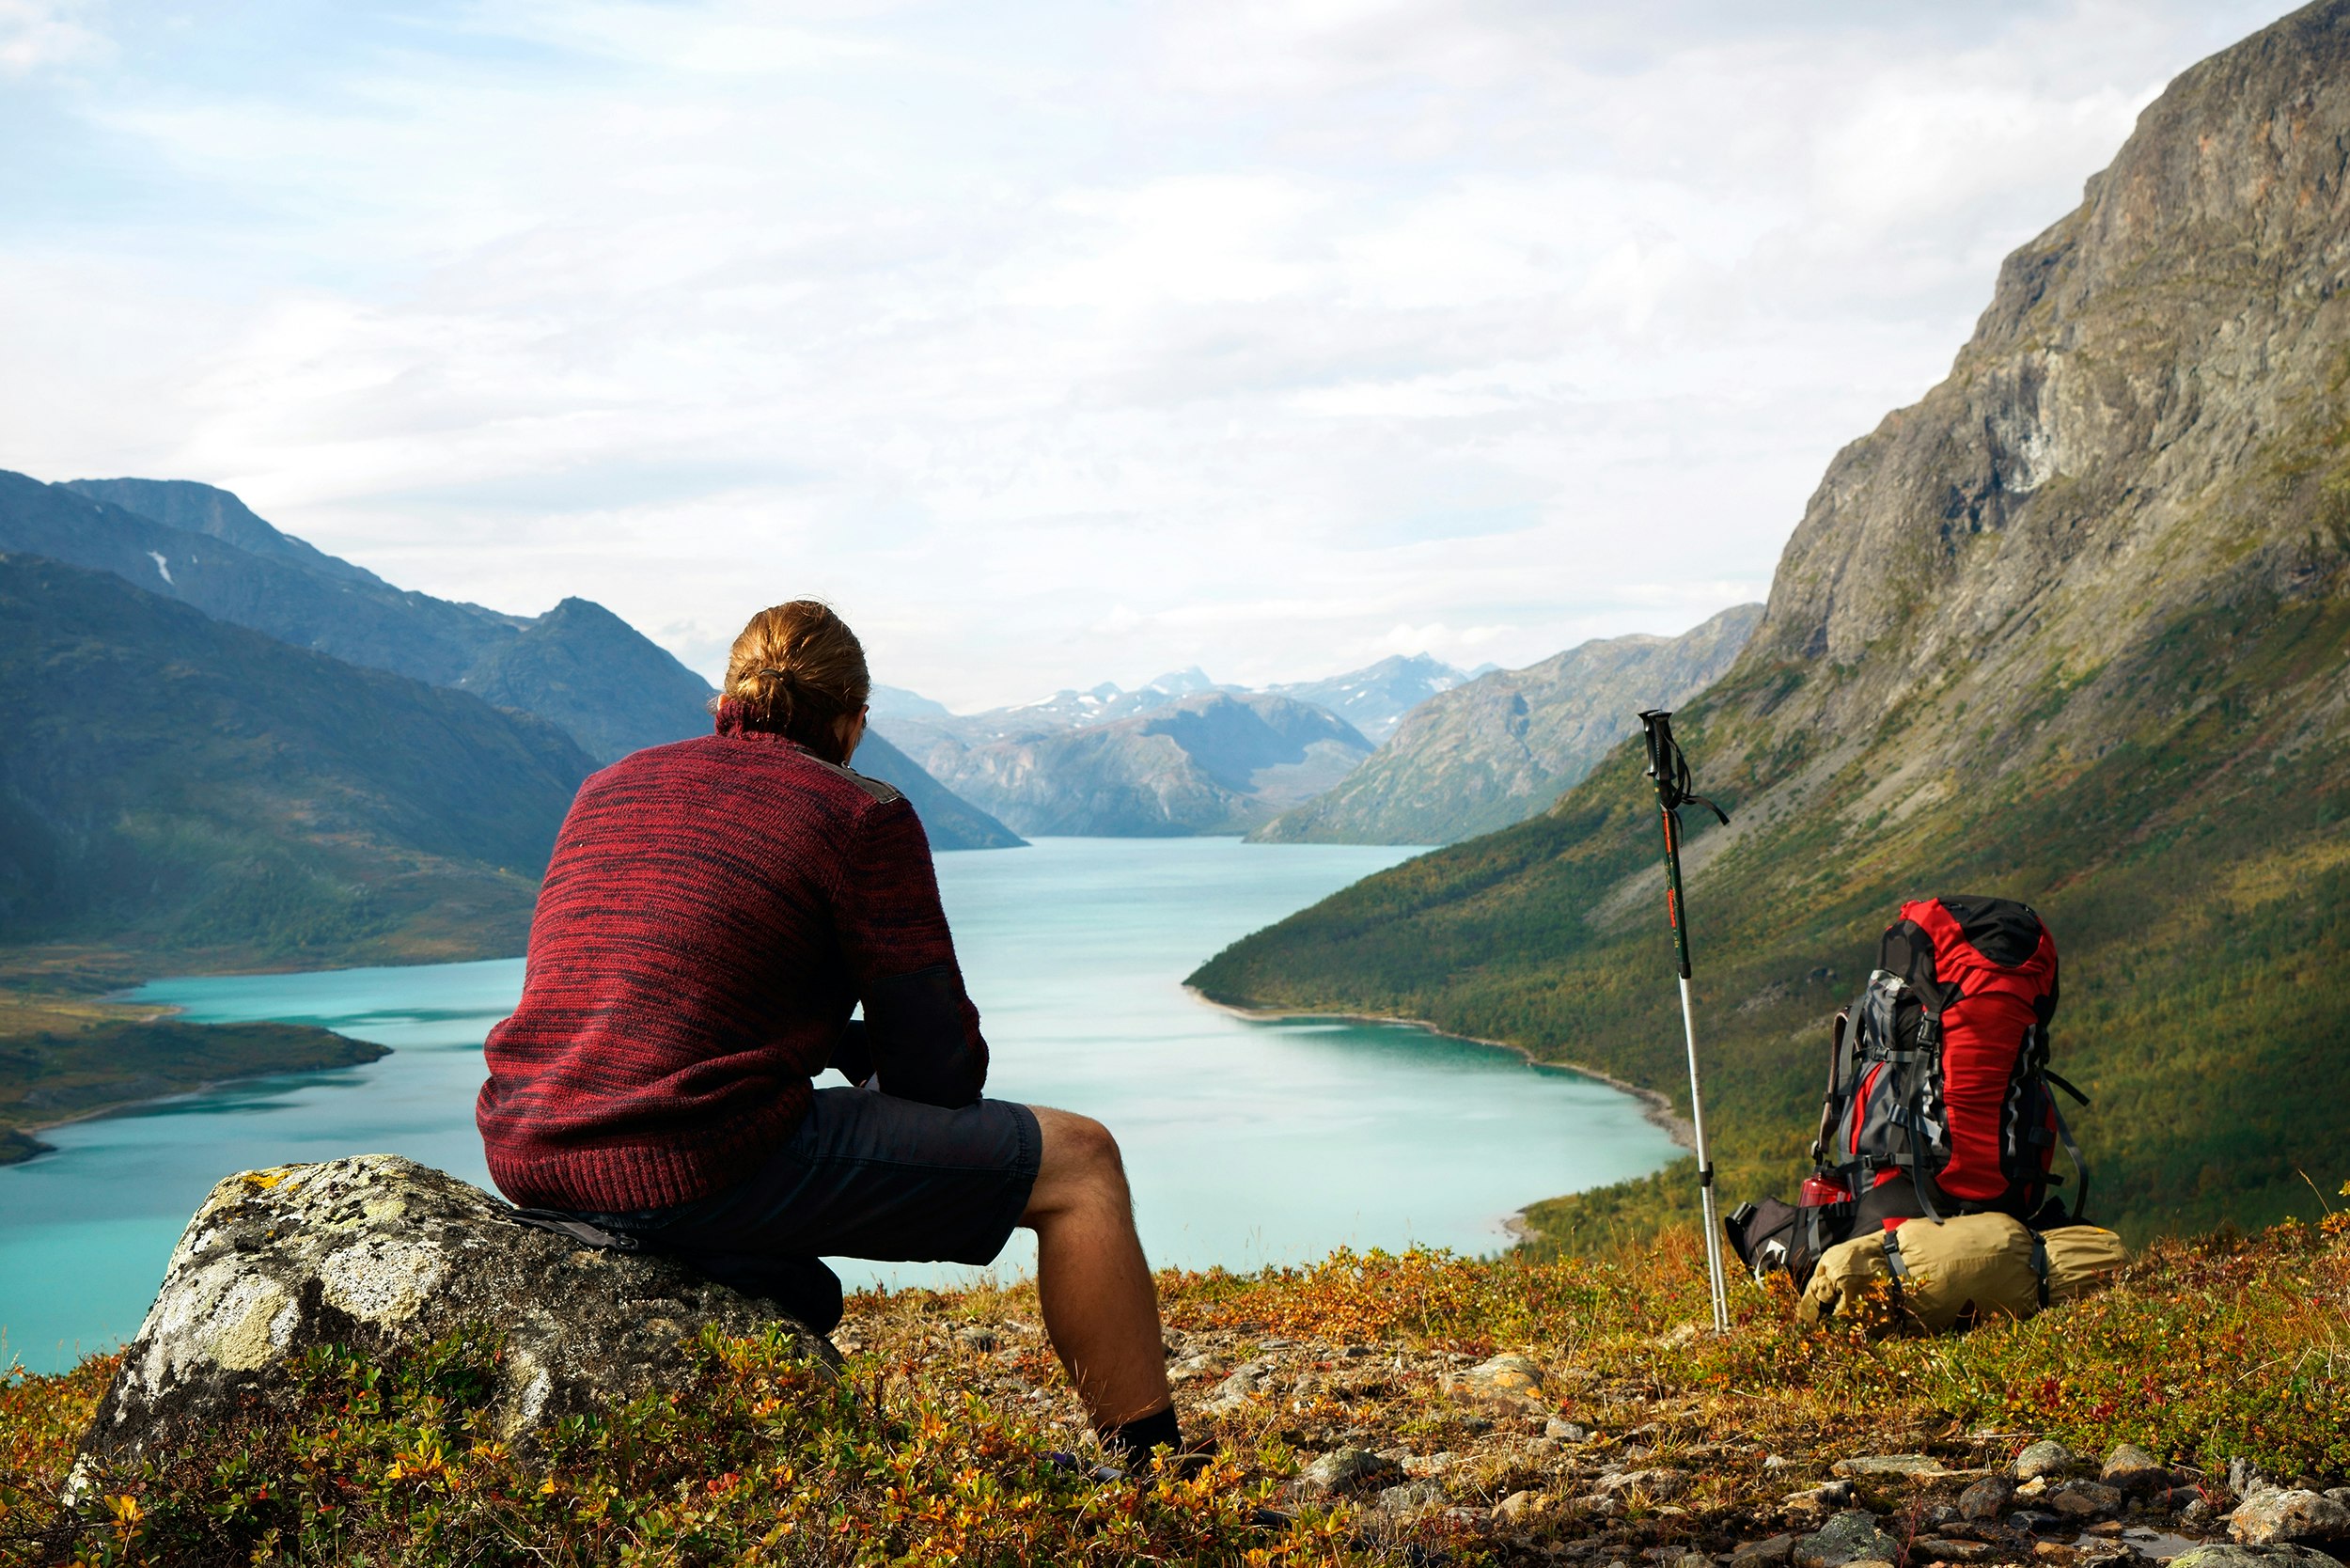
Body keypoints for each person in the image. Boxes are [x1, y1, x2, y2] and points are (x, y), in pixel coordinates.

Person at [475, 600, 1183, 1465]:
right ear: (853, 720)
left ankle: (741, 1271)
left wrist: (827, 1046)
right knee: (1082, 1164)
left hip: (530, 1147)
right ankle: (1159, 1476)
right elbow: (937, 1072)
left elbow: (643, 1003)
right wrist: (869, 1059)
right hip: (688, 1157)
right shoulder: (859, 813)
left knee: (776, 1159)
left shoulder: (611, 785)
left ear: (726, 698)